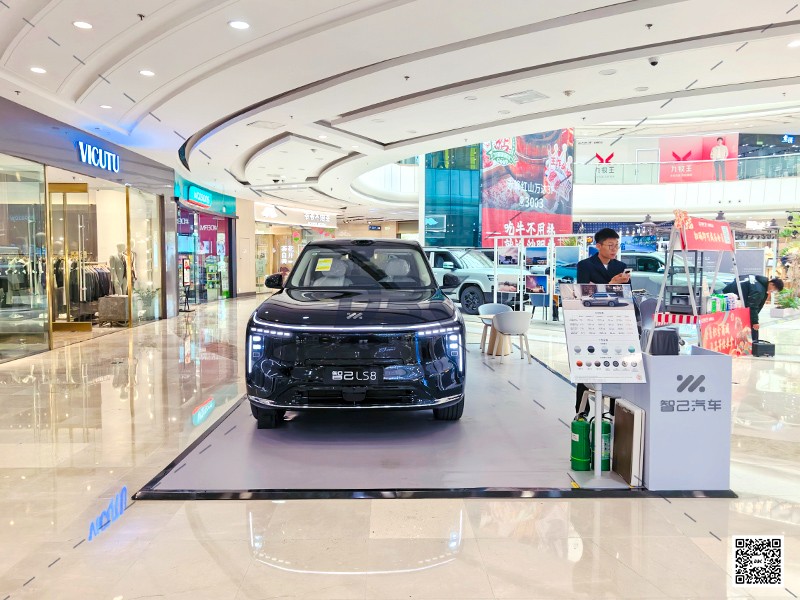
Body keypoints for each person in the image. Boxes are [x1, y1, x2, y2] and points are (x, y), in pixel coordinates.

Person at [574, 228, 630, 416]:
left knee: (615, 363)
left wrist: (620, 284)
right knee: (587, 362)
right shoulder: (585, 265)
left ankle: (614, 410)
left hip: (614, 321)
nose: (614, 249)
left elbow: (626, 295)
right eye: (610, 245)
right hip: (591, 321)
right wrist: (611, 284)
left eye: (617, 245)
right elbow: (583, 293)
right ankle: (582, 411)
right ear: (598, 246)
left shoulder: (620, 265)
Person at [722, 275, 783, 342]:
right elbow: (753, 306)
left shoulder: (757, 280)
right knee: (752, 326)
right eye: (774, 290)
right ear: (771, 284)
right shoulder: (759, 290)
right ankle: (754, 343)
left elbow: (739, 277)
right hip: (732, 300)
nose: (772, 291)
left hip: (727, 295)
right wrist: (755, 322)